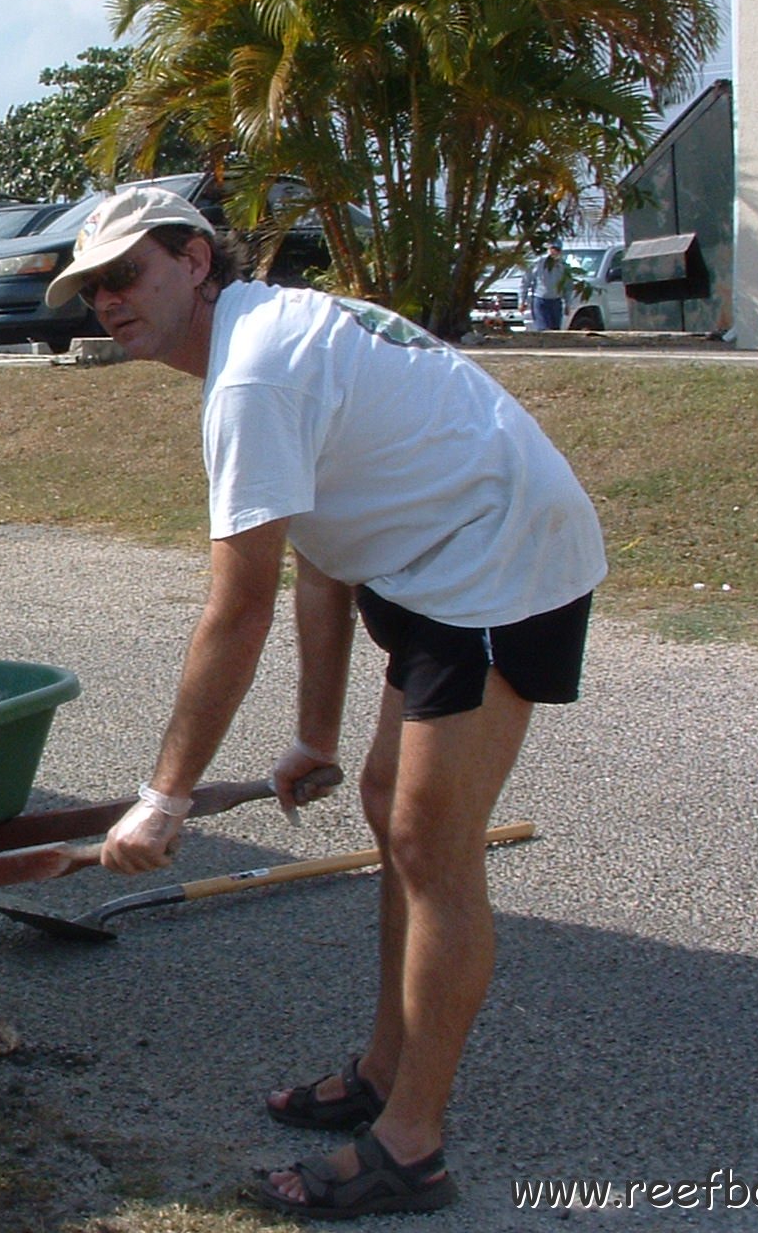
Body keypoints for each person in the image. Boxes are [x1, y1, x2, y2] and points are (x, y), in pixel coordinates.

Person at [47, 186, 603, 1220]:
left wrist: (161, 796)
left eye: (125, 276)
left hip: (495, 559)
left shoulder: (252, 374)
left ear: (193, 261)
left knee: (432, 846)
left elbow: (236, 606)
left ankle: (409, 1148)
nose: (107, 304)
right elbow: (314, 566)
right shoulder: (262, 343)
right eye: (91, 289)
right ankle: (386, 1073)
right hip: (434, 560)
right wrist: (314, 734)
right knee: (390, 813)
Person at [521, 240, 567, 331]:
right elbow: (525, 283)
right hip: (540, 300)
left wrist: (568, 303)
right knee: (543, 329)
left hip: (556, 301)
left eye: (557, 249)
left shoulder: (563, 265)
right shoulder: (538, 263)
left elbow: (567, 286)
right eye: (552, 249)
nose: (554, 252)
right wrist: (522, 301)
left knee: (555, 330)